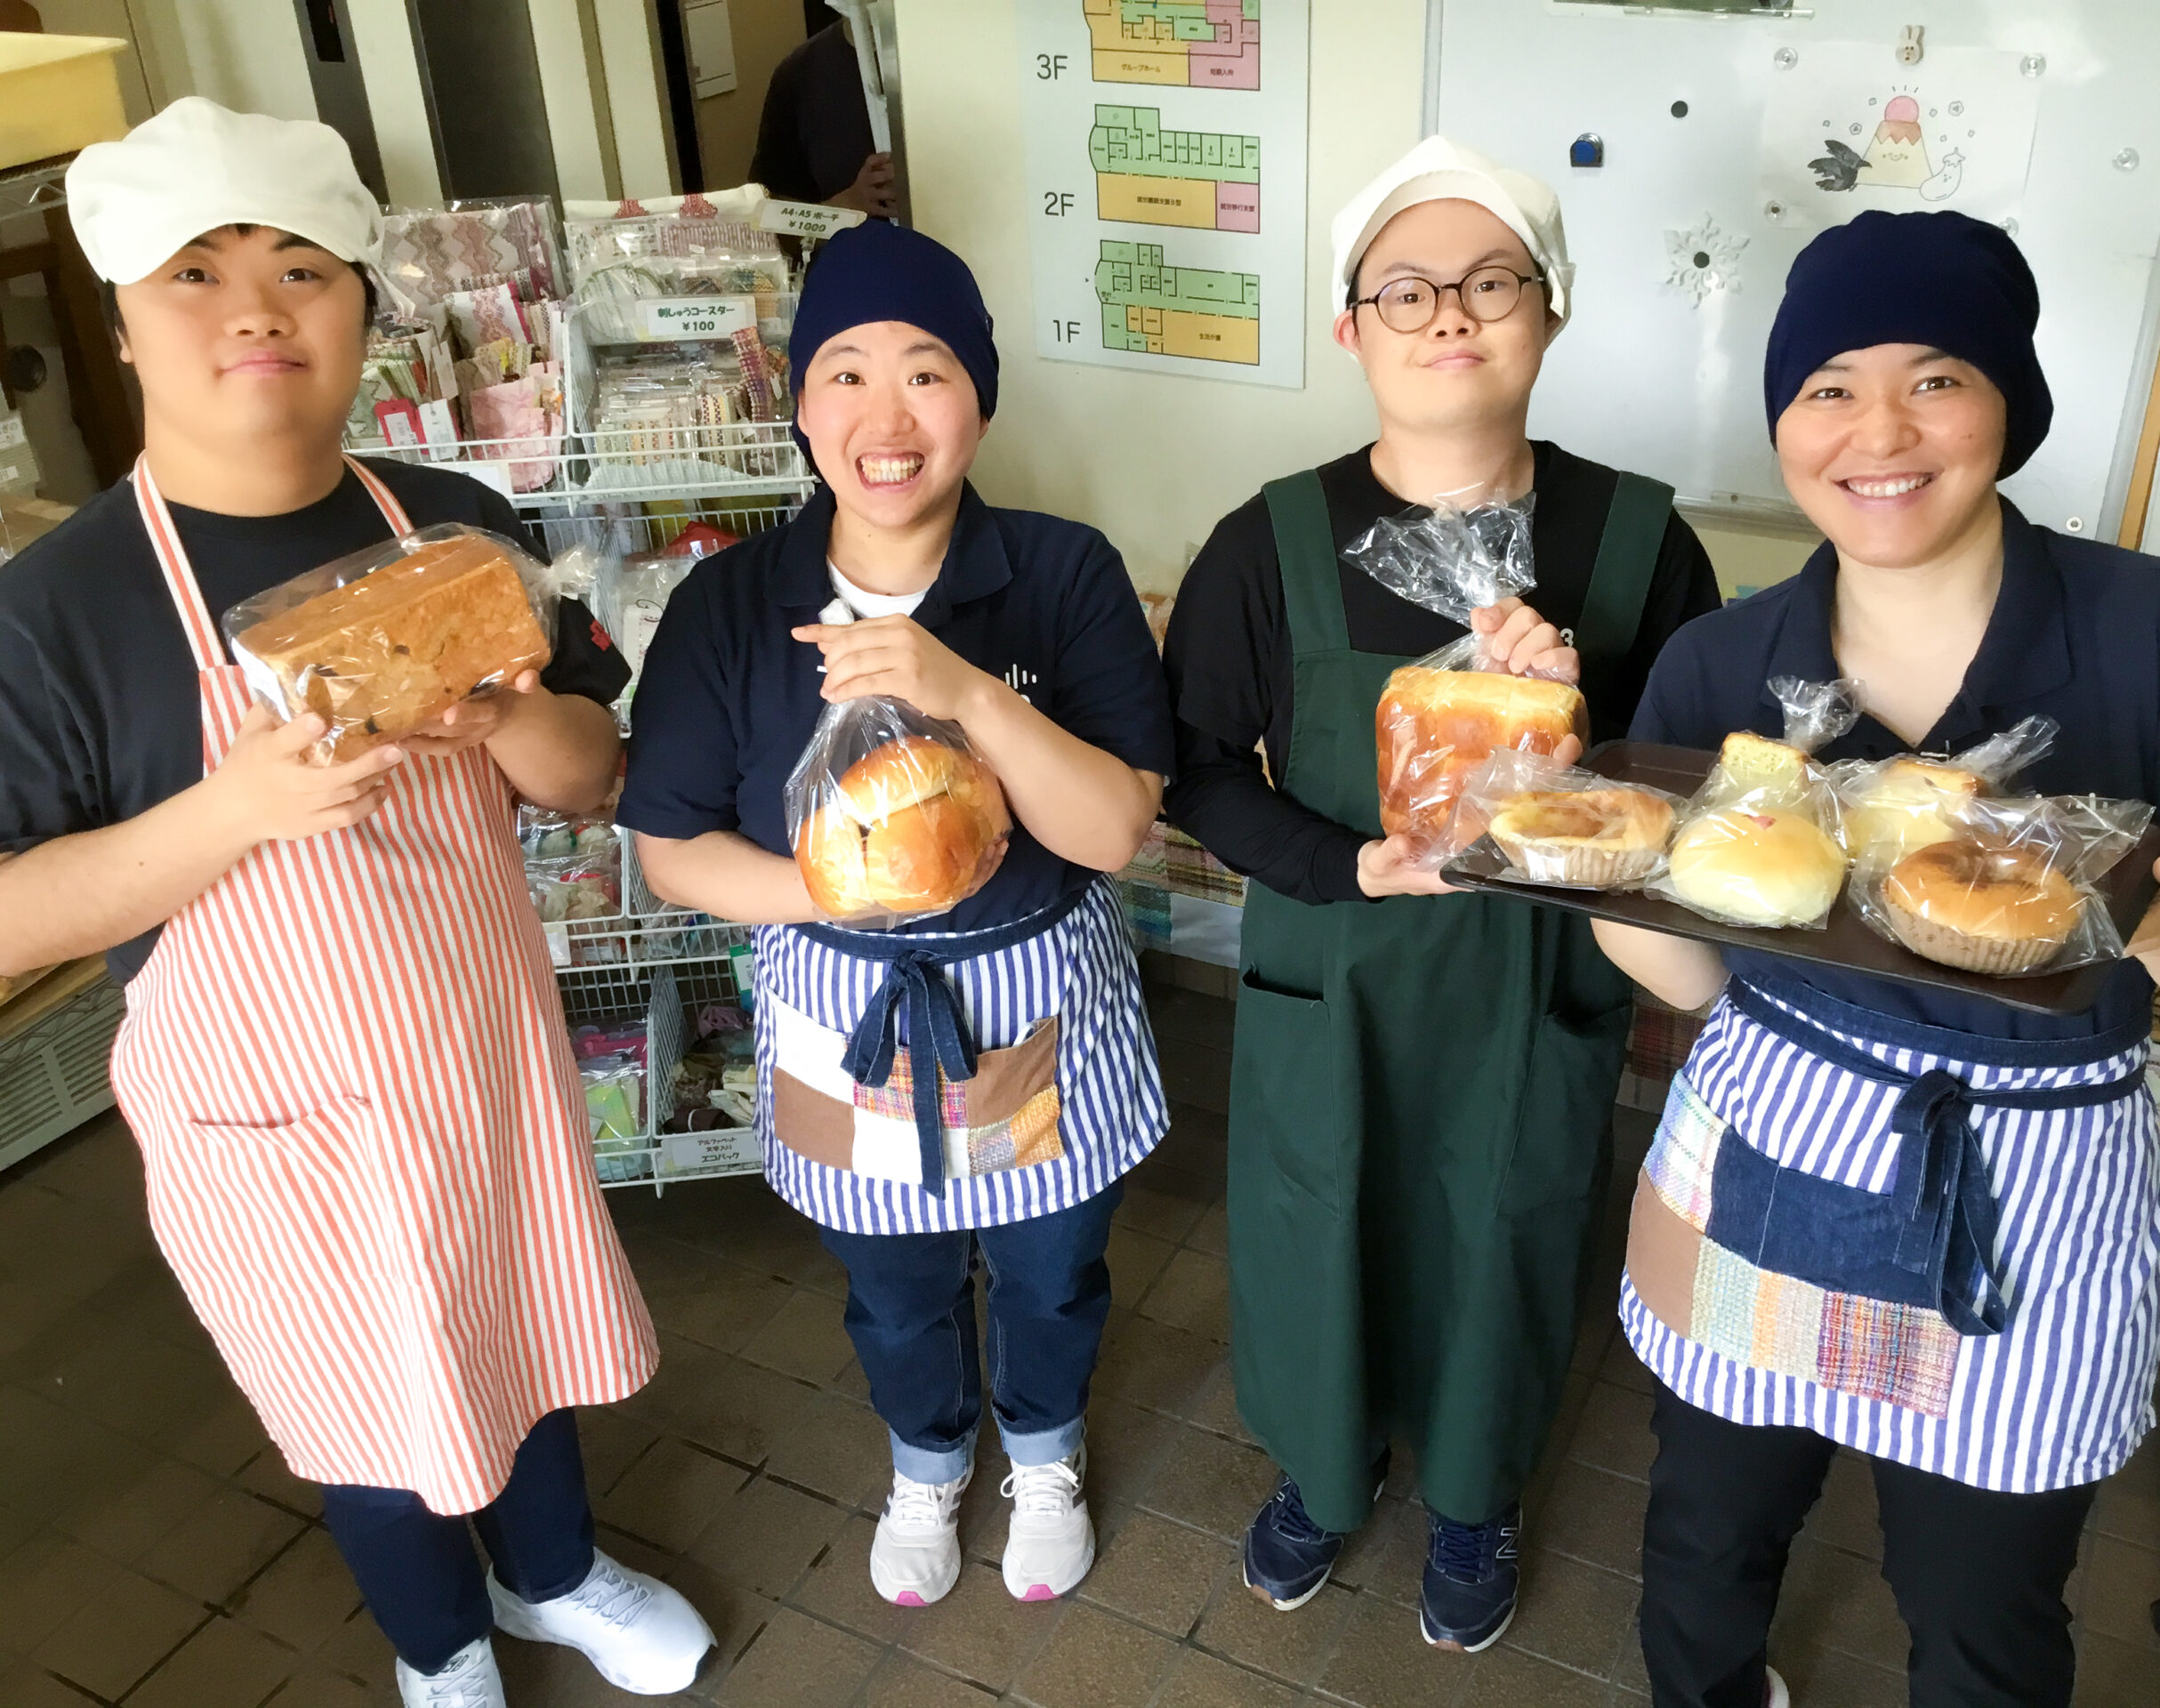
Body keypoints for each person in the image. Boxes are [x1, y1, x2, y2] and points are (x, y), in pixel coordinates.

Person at [0, 101, 713, 1708]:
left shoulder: (452, 527)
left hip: (479, 1059)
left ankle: (551, 1581)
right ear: (119, 319)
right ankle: (440, 1650)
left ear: (359, 311)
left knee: (518, 1327)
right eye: (196, 271)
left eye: (299, 268)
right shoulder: (56, 611)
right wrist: (232, 812)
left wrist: (503, 718)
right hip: (268, 1115)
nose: (255, 309)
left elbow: (592, 773)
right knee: (357, 1391)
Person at [1594, 210, 2160, 1708]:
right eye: (1828, 386)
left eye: (1937, 378)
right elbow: (1700, 982)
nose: (1879, 432)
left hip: (2030, 1180)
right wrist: (1607, 886)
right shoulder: (1726, 666)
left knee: (1982, 1599)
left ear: (2008, 406)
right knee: (1709, 1534)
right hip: (1774, 1132)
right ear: (1783, 418)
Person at [1162, 135, 1722, 1652]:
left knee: (1510, 1231)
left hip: (1534, 989)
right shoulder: (1270, 543)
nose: (1447, 314)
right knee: (1312, 1226)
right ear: (1350, 329)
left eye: (1491, 281)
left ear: (1548, 314)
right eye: (1403, 289)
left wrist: (1576, 715)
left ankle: (1474, 1495)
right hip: (1333, 970)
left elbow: (1690, 803)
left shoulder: (1637, 543)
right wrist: (1344, 863)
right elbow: (1196, 769)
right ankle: (1322, 1478)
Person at [621, 218, 1174, 1608]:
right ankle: (928, 1460)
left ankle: (1042, 1448)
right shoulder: (733, 602)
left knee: (1052, 1269)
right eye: (845, 372)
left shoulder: (1061, 573)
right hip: (836, 1003)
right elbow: (673, 850)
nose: (886, 416)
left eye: (927, 371)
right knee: (892, 1285)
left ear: (978, 397)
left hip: (1033, 997)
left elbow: (1112, 829)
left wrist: (967, 691)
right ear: (799, 399)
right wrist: (844, 885)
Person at [753, 10, 900, 219]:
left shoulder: (952, 55)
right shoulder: (800, 74)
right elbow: (768, 214)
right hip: (854, 248)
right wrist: (845, 208)